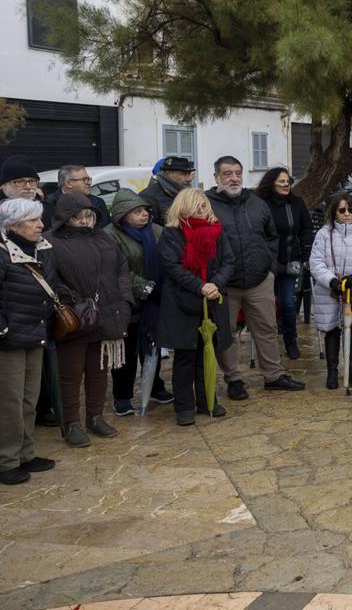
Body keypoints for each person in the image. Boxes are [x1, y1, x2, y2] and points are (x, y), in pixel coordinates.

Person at [206, 156, 304, 399]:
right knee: (226, 332)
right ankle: (234, 379)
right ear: (216, 177)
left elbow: (272, 236)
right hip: (224, 284)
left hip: (259, 280)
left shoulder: (256, 203)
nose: (234, 178)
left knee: (267, 328)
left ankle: (273, 375)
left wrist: (269, 267)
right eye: (227, 173)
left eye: (237, 172)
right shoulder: (206, 204)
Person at [45, 193, 132, 447]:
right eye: (79, 217)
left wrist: (124, 299)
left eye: (89, 215)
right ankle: (71, 424)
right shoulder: (50, 242)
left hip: (106, 314)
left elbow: (122, 267)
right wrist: (76, 303)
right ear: (64, 218)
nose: (85, 221)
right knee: (70, 375)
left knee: (98, 371)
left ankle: (96, 417)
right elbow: (52, 279)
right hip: (75, 318)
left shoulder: (103, 236)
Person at [158, 188, 235, 425]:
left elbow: (228, 261)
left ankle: (207, 400)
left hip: (210, 302)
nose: (203, 209)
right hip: (183, 303)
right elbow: (172, 266)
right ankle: (184, 407)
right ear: (185, 207)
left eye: (204, 205)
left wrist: (215, 284)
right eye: (198, 205)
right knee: (185, 357)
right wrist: (200, 286)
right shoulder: (172, 234)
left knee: (208, 353)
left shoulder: (217, 231)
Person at [0, 198, 59, 484]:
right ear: (12, 226)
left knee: (28, 399)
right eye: (33, 221)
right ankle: (6, 461)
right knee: (8, 403)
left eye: (40, 219)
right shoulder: (2, 253)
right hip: (8, 341)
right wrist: (3, 331)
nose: (41, 225)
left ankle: (26, 453)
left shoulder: (41, 250)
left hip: (35, 334)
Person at [104, 190, 172, 415]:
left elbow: (169, 258)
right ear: (123, 215)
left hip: (154, 303)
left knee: (152, 348)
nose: (144, 215)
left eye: (145, 211)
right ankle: (122, 396)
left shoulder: (157, 231)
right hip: (127, 304)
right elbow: (115, 270)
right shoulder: (110, 236)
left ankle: (154, 386)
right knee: (127, 354)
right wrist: (144, 287)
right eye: (137, 211)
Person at [309, 192, 352, 390]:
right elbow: (316, 262)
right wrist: (331, 281)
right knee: (332, 329)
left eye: (351, 210)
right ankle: (332, 370)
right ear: (334, 212)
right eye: (342, 210)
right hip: (330, 290)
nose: (347, 213)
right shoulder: (324, 233)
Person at [255, 167, 313, 360]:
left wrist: (306, 254)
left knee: (288, 303)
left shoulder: (296, 203)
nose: (286, 184)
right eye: (281, 181)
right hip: (265, 263)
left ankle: (291, 341)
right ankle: (268, 345)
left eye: (287, 181)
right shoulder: (261, 204)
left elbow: (306, 228)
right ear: (272, 183)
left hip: (290, 260)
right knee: (267, 305)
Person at [42, 166, 111, 230]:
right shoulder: (49, 204)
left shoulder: (97, 202)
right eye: (84, 179)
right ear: (68, 183)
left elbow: (105, 231)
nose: (89, 183)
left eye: (88, 179)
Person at [139, 156, 196, 226]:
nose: (188, 179)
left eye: (189, 174)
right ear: (169, 174)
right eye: (183, 174)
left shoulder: (188, 195)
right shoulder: (148, 197)